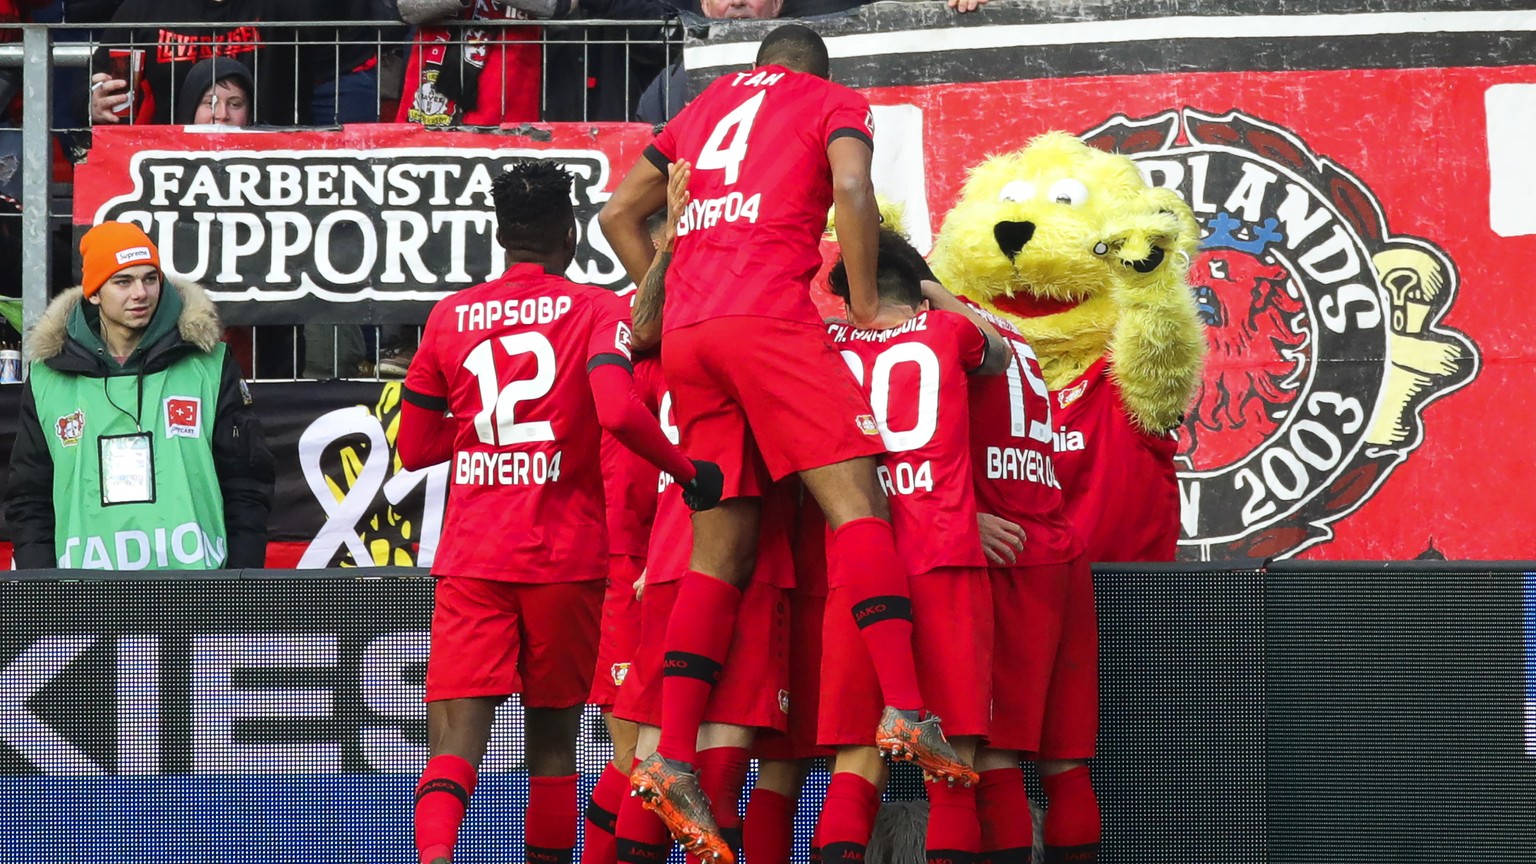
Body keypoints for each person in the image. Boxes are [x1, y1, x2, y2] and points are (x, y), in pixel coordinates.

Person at [600, 24, 971, 862]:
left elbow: (620, 211)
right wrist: (870, 300)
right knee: (856, 505)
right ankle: (908, 708)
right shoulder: (832, 102)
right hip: (767, 320)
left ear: (757, 64)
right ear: (815, 70)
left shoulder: (701, 107)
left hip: (690, 332)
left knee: (718, 553)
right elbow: (851, 185)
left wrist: (659, 285)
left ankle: (670, 759)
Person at [395, 159, 720, 864]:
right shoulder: (598, 309)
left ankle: (433, 856)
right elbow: (629, 385)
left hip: (474, 554)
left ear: (499, 234)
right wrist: (687, 471)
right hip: (567, 557)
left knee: (456, 741)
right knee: (553, 745)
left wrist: (481, 433)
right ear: (570, 235)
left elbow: (414, 450)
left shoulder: (449, 316)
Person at [824, 230, 1010, 864]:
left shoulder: (826, 345)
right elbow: (999, 355)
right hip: (944, 553)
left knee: (856, 754)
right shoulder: (944, 334)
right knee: (952, 751)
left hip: (855, 561)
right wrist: (933, 289)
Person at [4, 221, 274, 569]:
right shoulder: (48, 377)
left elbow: (247, 484)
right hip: (86, 600)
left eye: (150, 278)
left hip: (196, 595)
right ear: (94, 292)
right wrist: (44, 590)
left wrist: (240, 580)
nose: (140, 293)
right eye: (122, 281)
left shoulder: (210, 365)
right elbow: (29, 498)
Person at [956, 302, 1100, 863]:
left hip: (1007, 552)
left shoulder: (941, 329)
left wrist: (954, 513)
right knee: (1064, 765)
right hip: (1058, 548)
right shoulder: (1004, 329)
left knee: (993, 756)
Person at [633, 0, 783, 124]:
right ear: (705, 5)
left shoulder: (803, 73)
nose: (737, 2)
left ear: (776, 4)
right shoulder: (670, 84)